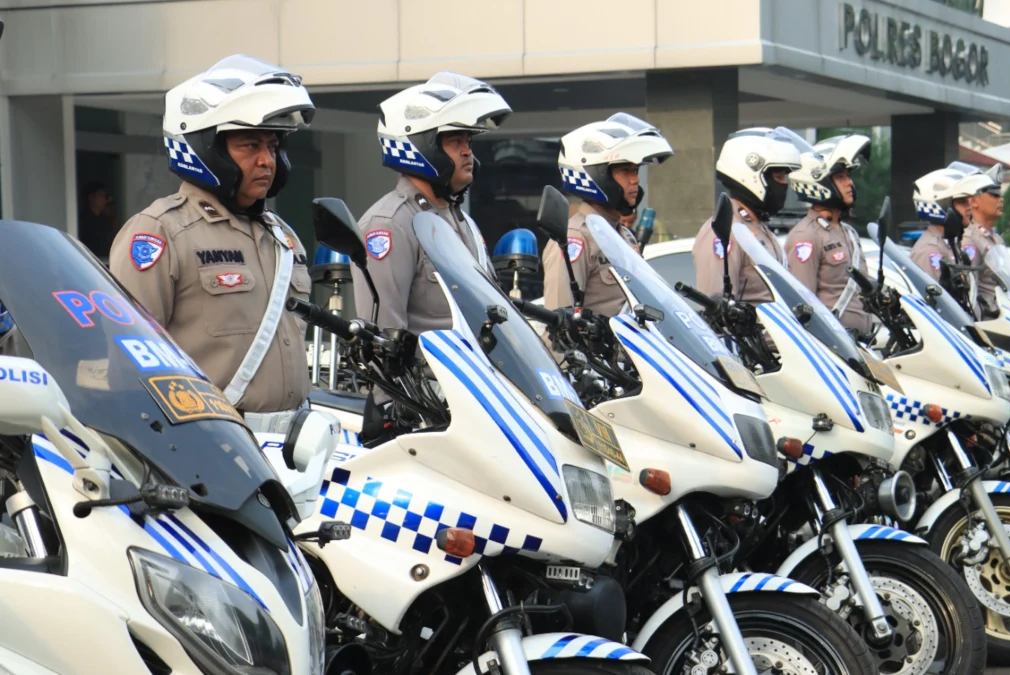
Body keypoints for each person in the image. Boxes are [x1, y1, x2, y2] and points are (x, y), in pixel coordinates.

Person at [109, 55, 315, 426]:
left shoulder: (283, 237)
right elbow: (128, 361)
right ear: (209, 150)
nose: (267, 160)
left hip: (294, 442)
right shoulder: (160, 232)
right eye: (250, 146)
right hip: (215, 443)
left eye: (273, 146)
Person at [352, 72, 510, 335]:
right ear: (421, 146)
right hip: (430, 376)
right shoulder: (391, 224)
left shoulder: (461, 220)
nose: (467, 151)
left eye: (468, 141)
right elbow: (384, 336)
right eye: (455, 141)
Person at [542, 113, 673, 317]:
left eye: (636, 171)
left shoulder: (623, 235)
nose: (635, 180)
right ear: (597, 174)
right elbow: (560, 327)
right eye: (625, 171)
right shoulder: (574, 239)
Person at [692, 127, 803, 303]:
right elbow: (717, 307)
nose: (784, 184)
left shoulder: (759, 229)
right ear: (751, 174)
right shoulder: (726, 229)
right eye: (778, 176)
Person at [783, 134, 873, 336]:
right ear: (818, 181)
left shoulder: (847, 232)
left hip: (860, 345)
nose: (850, 183)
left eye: (848, 176)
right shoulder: (806, 236)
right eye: (841, 176)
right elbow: (803, 304)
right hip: (832, 346)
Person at [910, 166, 981, 317]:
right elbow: (936, 308)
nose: (970, 206)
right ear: (942, 206)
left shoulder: (950, 244)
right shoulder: (930, 250)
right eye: (962, 202)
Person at [959, 164, 1006, 312]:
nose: (1001, 199)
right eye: (994, 195)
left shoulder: (995, 238)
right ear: (974, 201)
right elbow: (970, 293)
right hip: (989, 321)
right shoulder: (970, 240)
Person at [79, 182, 117, 259]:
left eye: (104, 196)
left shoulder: (104, 220)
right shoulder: (84, 220)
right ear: (91, 197)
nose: (104, 200)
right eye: (100, 196)